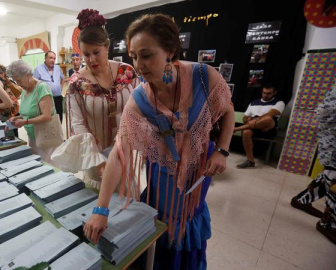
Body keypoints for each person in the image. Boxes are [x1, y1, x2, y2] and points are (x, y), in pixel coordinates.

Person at [83, 14, 234, 270]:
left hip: (199, 167)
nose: (139, 65)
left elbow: (229, 109)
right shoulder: (140, 99)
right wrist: (102, 209)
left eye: (146, 55)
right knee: (161, 219)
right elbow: (121, 153)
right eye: (133, 56)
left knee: (189, 216)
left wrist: (222, 150)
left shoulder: (203, 77)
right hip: (162, 172)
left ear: (170, 51)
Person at [60, 8, 139, 188]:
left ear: (107, 47)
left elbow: (137, 110)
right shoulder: (77, 83)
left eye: (96, 52)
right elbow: (77, 124)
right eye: (86, 54)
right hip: (95, 156)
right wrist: (98, 161)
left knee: (126, 198)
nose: (91, 59)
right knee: (99, 198)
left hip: (125, 149)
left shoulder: (126, 72)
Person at [290, 83, 336, 244]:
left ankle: (303, 199)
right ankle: (329, 223)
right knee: (334, 177)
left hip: (331, 139)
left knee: (331, 174)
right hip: (333, 140)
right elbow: (326, 111)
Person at [7, 60, 60, 163]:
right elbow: (28, 113)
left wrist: (25, 122)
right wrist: (16, 118)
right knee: (37, 165)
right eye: (15, 81)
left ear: (27, 75)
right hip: (32, 136)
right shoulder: (24, 90)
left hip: (46, 137)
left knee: (48, 167)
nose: (17, 84)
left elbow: (46, 116)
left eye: (19, 80)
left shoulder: (41, 88)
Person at [234, 83, 285, 168]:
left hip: (268, 129)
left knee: (268, 118)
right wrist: (247, 119)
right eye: (264, 92)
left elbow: (271, 113)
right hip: (253, 126)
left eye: (269, 93)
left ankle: (236, 128)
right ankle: (250, 161)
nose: (265, 95)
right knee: (246, 132)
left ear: (274, 93)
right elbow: (245, 117)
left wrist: (257, 119)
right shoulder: (253, 103)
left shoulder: (279, 102)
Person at [34, 51, 64, 122]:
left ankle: (58, 133)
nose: (53, 60)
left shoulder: (57, 68)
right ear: (45, 58)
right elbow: (34, 84)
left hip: (58, 98)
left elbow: (62, 78)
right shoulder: (38, 69)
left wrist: (60, 88)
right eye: (50, 58)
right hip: (46, 99)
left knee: (59, 118)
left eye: (54, 58)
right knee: (49, 120)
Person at [0, 64, 23, 137]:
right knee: (4, 133)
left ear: (4, 74)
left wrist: (7, 82)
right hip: (1, 113)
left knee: (13, 134)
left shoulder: (10, 83)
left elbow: (18, 93)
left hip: (12, 112)